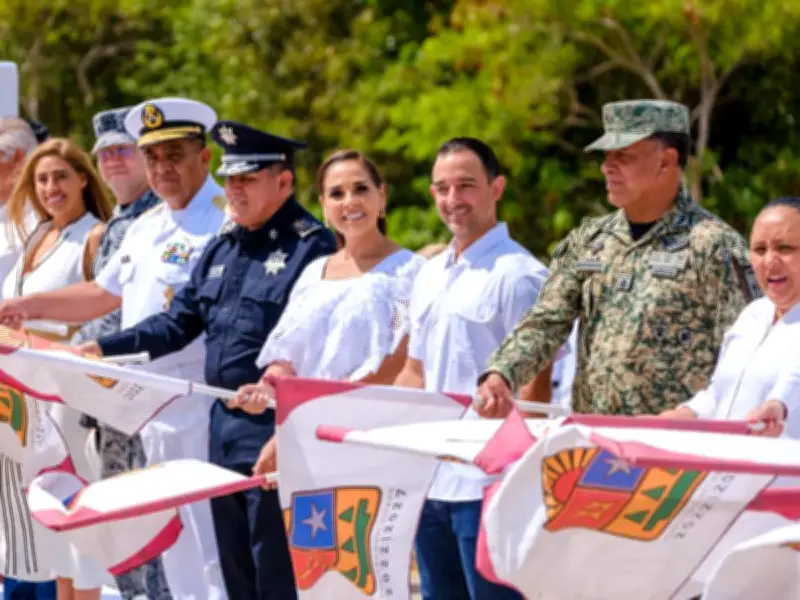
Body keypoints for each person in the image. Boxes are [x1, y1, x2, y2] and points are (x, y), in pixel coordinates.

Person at [75, 121, 337, 599]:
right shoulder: (224, 244)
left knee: (273, 566)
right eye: (231, 178)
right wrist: (103, 348)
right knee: (231, 562)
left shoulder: (312, 248)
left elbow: (315, 348)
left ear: (283, 182)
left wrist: (284, 423)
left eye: (247, 180)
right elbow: (177, 323)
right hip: (222, 424)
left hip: (276, 425)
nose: (233, 190)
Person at [0, 97, 228, 600]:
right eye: (153, 158)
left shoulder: (224, 219)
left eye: (175, 156)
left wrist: (97, 348)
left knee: (210, 550)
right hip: (141, 409)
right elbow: (103, 294)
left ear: (204, 158)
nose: (162, 169)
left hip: (201, 406)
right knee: (160, 549)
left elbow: (183, 323)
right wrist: (23, 305)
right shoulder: (147, 225)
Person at [477, 100, 760, 419]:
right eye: (606, 156)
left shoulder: (715, 247)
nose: (606, 167)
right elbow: (546, 322)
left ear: (667, 161)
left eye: (622, 156)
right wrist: (502, 373)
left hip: (676, 451)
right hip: (593, 445)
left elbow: (748, 356)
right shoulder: (589, 240)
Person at [393, 137, 549, 600]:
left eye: (466, 185)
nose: (453, 200)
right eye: (442, 188)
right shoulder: (427, 273)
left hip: (490, 485)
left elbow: (540, 386)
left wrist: (519, 481)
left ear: (496, 187)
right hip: (432, 480)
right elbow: (414, 373)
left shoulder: (520, 275)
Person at [229, 148, 425, 470]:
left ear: (382, 196)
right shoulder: (313, 273)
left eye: (360, 189)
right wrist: (266, 388)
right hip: (307, 439)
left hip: (373, 441)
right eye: (336, 193)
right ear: (323, 206)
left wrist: (314, 415)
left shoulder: (411, 271)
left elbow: (400, 361)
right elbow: (287, 357)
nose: (349, 201)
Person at [2, 137, 113, 600]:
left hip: (69, 399)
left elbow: (103, 314)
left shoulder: (95, 236)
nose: (52, 187)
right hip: (24, 403)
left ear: (84, 179)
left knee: (76, 520)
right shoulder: (34, 237)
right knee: (42, 527)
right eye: (43, 179)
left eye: (62, 177)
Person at [71, 106, 168, 600]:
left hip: (145, 394)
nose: (111, 162)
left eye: (122, 151)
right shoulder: (118, 223)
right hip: (107, 398)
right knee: (123, 522)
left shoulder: (161, 218)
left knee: (152, 521)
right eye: (104, 154)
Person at [659, 197, 800, 436]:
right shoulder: (752, 315)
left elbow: (795, 378)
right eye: (759, 250)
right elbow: (718, 395)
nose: (769, 261)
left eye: (784, 248)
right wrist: (681, 416)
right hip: (727, 466)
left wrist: (778, 405)